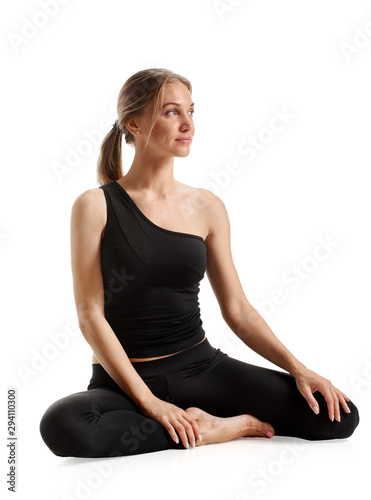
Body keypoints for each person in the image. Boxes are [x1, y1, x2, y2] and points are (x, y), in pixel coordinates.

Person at [39, 68, 359, 458]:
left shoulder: (207, 207)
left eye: (191, 111)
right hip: (121, 383)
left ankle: (199, 426)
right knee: (63, 425)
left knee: (337, 416)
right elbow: (90, 314)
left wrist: (299, 369)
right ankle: (216, 429)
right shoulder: (94, 206)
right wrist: (149, 402)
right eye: (172, 112)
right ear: (134, 124)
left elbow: (237, 309)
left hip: (202, 369)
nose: (188, 123)